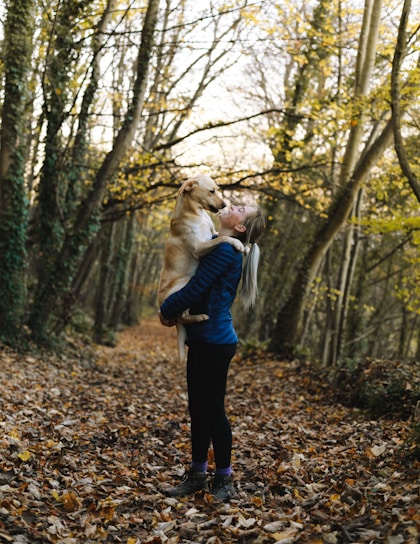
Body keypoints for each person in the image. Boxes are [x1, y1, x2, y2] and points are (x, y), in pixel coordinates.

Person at [159, 203, 266, 501]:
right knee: (198, 409)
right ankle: (197, 474)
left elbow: (197, 288)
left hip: (216, 342)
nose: (231, 204)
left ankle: (224, 479)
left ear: (240, 227)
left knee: (213, 411)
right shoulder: (217, 245)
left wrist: (166, 310)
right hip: (204, 339)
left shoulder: (224, 251)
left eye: (240, 208)